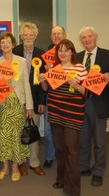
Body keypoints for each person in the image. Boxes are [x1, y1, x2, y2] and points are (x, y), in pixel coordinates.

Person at [40, 39, 89, 196]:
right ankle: (61, 178)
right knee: (60, 149)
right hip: (55, 114)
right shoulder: (54, 68)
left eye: (66, 50)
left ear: (72, 52)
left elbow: (87, 92)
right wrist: (43, 82)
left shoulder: (80, 68)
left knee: (71, 151)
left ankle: (73, 188)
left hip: (73, 115)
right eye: (60, 50)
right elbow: (48, 90)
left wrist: (76, 85)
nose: (62, 53)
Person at [77, 26, 109, 187]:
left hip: (99, 104)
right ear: (81, 41)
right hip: (81, 103)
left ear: (96, 37)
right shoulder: (77, 57)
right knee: (83, 139)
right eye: (84, 38)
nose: (87, 40)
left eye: (90, 36)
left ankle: (98, 171)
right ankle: (84, 166)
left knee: (100, 142)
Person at [0, 32, 34, 182]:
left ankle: (15, 166)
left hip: (17, 104)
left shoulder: (21, 61)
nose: (5, 45)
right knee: (3, 135)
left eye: (8, 42)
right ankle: (4, 167)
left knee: (15, 136)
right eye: (2, 42)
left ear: (13, 45)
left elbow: (26, 84)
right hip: (2, 105)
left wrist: (29, 106)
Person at [12, 22, 46, 176]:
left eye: (31, 35)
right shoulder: (14, 52)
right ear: (21, 36)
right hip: (17, 99)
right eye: (25, 35)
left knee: (33, 130)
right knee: (19, 131)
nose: (28, 37)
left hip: (34, 99)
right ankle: (20, 162)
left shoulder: (41, 54)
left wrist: (41, 102)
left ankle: (34, 161)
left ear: (36, 36)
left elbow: (42, 82)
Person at [43, 25, 67, 167]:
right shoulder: (47, 55)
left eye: (59, 33)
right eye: (54, 34)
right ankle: (49, 157)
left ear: (65, 35)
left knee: (66, 130)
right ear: (51, 37)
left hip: (67, 98)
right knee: (48, 130)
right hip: (51, 97)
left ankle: (63, 157)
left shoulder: (72, 53)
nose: (57, 36)